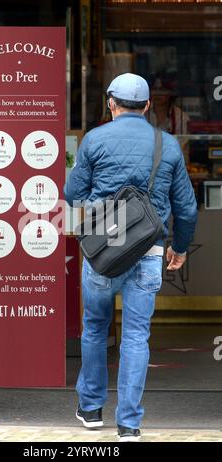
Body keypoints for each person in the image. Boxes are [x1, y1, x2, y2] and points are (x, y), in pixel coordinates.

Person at [64, 73, 197, 442]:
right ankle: (129, 424)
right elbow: (186, 208)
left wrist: (96, 209)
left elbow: (72, 193)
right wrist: (180, 248)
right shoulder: (166, 144)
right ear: (148, 105)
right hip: (149, 249)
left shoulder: (94, 139)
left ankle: (90, 410)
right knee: (137, 334)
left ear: (111, 103)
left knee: (94, 327)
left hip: (103, 250)